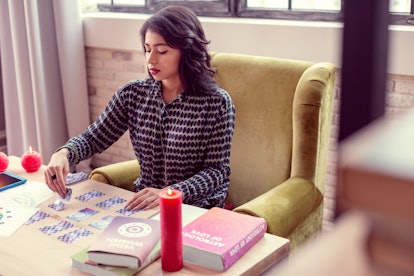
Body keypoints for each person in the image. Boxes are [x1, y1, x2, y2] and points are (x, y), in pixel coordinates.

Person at [44, 5, 235, 211]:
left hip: (196, 209)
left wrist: (169, 194)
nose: (151, 59)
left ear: (186, 51)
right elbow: (94, 138)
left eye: (162, 51)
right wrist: (64, 153)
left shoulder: (217, 104)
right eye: (147, 49)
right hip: (146, 207)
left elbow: (216, 172)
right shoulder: (133, 94)